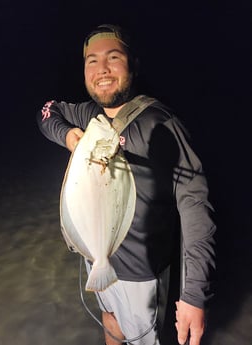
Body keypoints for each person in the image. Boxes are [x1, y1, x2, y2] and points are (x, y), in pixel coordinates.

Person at [36, 24, 216, 345]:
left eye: (113, 57)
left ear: (132, 63)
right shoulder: (88, 114)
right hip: (98, 259)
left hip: (141, 276)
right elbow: (47, 111)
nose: (102, 69)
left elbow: (196, 210)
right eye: (92, 61)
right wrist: (67, 134)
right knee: (110, 321)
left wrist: (193, 296)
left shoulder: (160, 125)